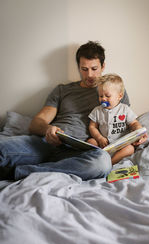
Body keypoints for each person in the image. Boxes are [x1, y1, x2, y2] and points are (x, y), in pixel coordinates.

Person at [0, 41, 132, 181]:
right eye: (84, 69)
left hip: (82, 153)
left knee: (102, 163)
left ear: (103, 66)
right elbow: (36, 123)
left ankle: (17, 173)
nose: (90, 75)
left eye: (94, 68)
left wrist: (138, 134)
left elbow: (128, 122)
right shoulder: (62, 90)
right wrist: (49, 129)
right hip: (47, 144)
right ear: (78, 67)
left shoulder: (113, 93)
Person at [87, 74, 147, 165]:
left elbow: (134, 123)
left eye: (107, 96)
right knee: (91, 142)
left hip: (120, 146)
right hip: (103, 145)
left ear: (119, 96)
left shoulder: (125, 109)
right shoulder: (97, 111)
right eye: (100, 96)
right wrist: (99, 138)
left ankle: (111, 162)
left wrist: (138, 129)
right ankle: (98, 160)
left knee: (130, 149)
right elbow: (92, 127)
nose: (103, 99)